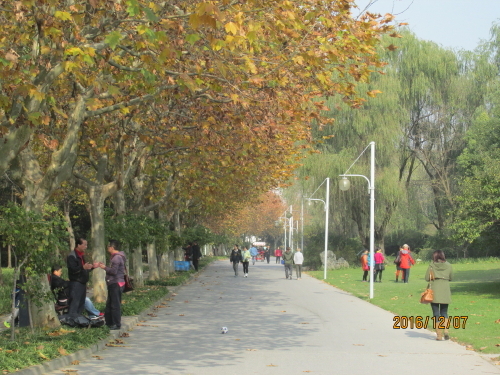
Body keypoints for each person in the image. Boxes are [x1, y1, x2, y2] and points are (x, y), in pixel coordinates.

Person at [425, 250, 453, 340]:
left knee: (436, 313)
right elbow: (451, 277)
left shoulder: (431, 265)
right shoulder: (449, 265)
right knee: (444, 312)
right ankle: (446, 331)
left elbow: (426, 278)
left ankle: (439, 335)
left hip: (434, 289)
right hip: (445, 289)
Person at [98, 240, 126, 330]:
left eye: (108, 247)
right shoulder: (115, 257)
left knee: (115, 305)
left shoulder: (116, 258)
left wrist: (104, 268)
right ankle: (109, 322)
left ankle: (116, 324)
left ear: (112, 247)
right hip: (113, 283)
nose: (107, 248)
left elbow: (114, 271)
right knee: (110, 304)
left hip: (116, 283)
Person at [67, 238, 95, 315]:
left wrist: (92, 267)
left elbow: (84, 269)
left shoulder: (81, 255)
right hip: (76, 282)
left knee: (81, 302)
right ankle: (72, 319)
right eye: (84, 245)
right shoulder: (72, 256)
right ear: (78, 245)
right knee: (75, 302)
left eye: (86, 245)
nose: (86, 247)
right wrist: (83, 267)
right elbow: (73, 269)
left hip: (83, 282)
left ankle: (79, 318)